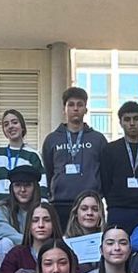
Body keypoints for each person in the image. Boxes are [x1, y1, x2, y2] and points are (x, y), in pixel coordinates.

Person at [41, 85, 104, 228]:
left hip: (90, 205)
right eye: (71, 105)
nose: (75, 109)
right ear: (64, 109)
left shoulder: (98, 139)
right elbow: (49, 171)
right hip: (59, 203)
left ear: (86, 109)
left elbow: (104, 171)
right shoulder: (52, 139)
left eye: (80, 105)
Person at [97, 100, 138, 234]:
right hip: (118, 210)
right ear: (120, 122)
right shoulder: (109, 150)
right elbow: (106, 181)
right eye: (127, 119)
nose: (132, 123)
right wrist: (113, 204)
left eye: (136, 119)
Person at [0, 201, 62, 273]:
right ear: (29, 224)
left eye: (47, 220)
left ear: (54, 224)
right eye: (35, 220)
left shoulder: (66, 253)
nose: (41, 225)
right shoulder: (16, 254)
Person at [0, 108, 45, 201]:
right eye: (6, 124)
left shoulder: (32, 154)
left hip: (23, 205)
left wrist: (42, 204)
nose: (10, 126)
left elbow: (42, 183)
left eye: (14, 122)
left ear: (22, 127)